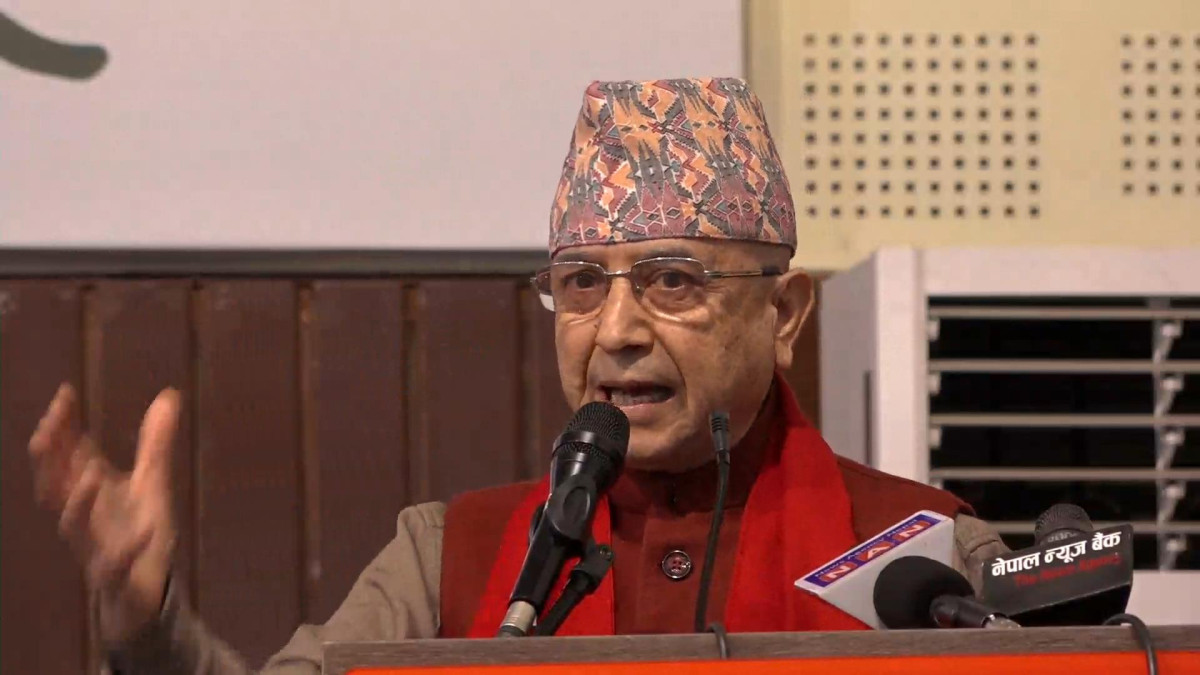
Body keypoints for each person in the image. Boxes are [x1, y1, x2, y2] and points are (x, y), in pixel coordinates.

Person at [28, 77, 1009, 673]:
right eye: (581, 284)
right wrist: (146, 621)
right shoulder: (447, 558)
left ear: (782, 314)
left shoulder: (927, 558)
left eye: (672, 281)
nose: (615, 330)